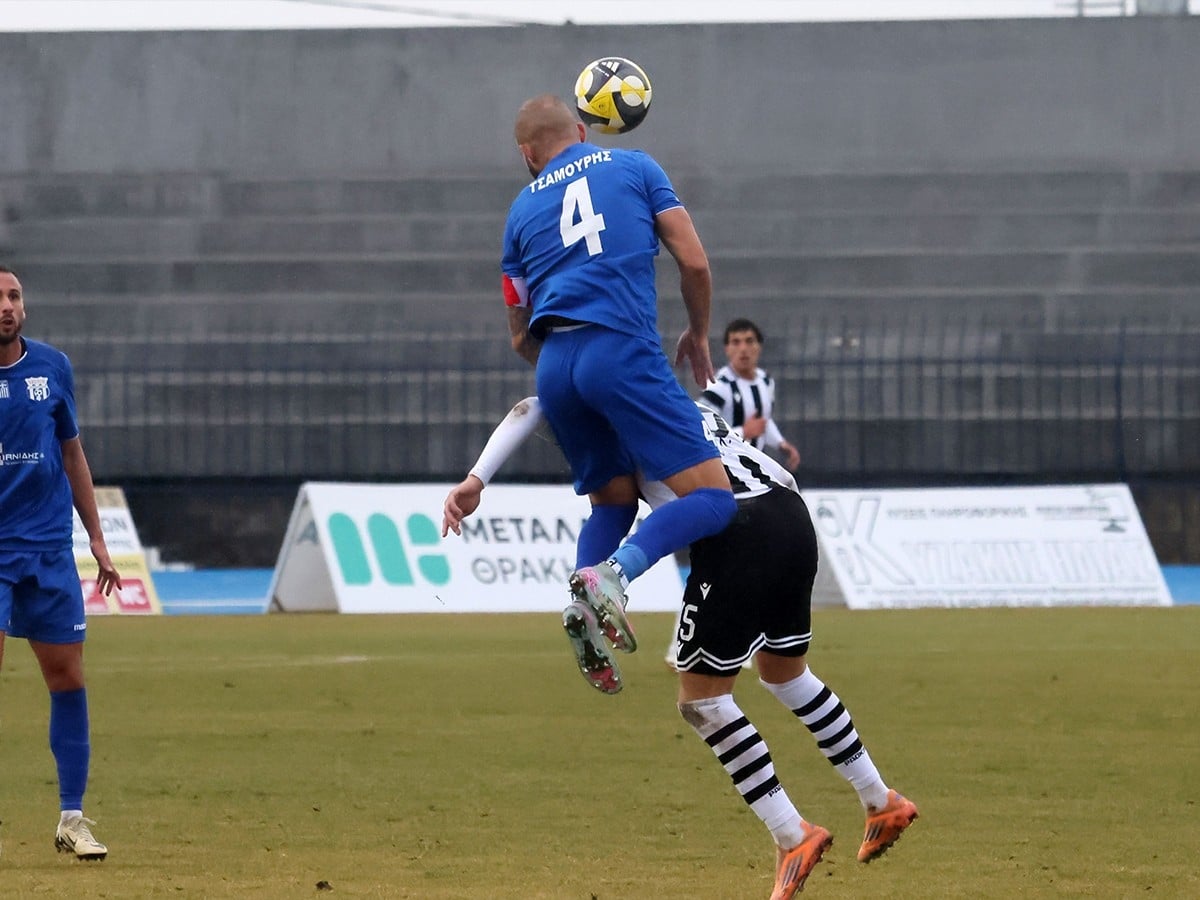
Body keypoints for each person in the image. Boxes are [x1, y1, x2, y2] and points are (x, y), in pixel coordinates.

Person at [442, 396, 919, 899]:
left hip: (738, 534)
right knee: (785, 674)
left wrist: (477, 478)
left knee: (703, 700)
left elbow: (555, 435)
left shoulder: (599, 410)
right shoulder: (670, 395)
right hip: (790, 514)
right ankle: (879, 798)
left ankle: (792, 834)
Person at [501, 93, 736, 661]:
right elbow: (695, 262)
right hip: (621, 349)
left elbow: (517, 334)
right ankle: (614, 576)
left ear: (529, 153)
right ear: (582, 132)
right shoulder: (635, 167)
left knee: (612, 502)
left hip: (556, 363)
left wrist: (575, 377)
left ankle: (582, 600)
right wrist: (699, 333)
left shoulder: (519, 212)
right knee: (714, 500)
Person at [0, 264, 120, 861]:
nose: (6, 306)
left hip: (48, 550)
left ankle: (72, 819)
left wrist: (96, 538)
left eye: (14, 295)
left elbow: (72, 454)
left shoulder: (53, 366)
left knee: (68, 680)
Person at [702, 318, 801, 470]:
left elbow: (763, 420)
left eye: (749, 341)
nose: (743, 348)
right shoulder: (718, 386)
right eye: (736, 342)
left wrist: (781, 443)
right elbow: (704, 432)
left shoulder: (766, 381)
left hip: (756, 467)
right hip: (727, 470)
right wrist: (744, 432)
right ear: (727, 349)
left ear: (759, 347)